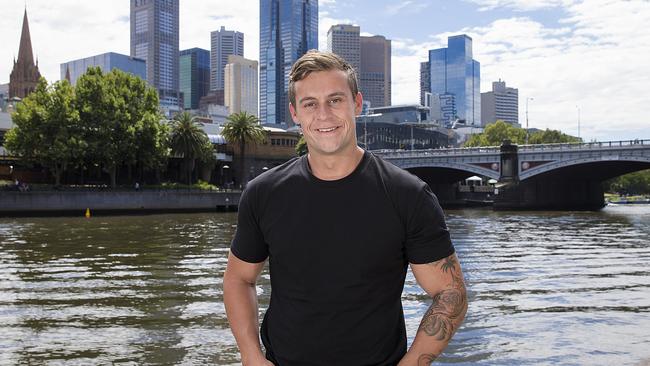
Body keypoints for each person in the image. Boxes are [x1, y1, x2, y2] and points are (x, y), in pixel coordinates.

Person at [223, 50, 467, 366]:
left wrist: (412, 363)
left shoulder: (407, 195)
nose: (323, 114)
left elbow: (451, 293)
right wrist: (251, 355)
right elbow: (239, 279)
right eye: (310, 104)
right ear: (295, 113)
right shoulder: (263, 194)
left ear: (357, 103)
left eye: (335, 100)